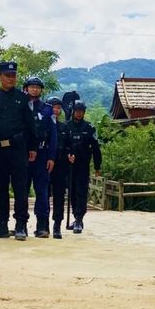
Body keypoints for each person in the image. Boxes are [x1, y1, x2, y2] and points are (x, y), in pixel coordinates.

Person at [0, 61, 38, 241]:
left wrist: (32, 147)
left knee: (20, 188)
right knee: (0, 189)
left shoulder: (23, 99)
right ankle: (1, 224)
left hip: (18, 149)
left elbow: (31, 125)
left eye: (14, 75)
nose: (11, 78)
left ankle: (21, 225)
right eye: (7, 75)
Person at [23, 76, 57, 238]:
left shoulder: (47, 109)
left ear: (41, 90)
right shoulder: (21, 105)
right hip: (22, 155)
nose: (34, 89)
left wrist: (52, 157)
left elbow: (53, 134)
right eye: (31, 86)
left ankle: (43, 225)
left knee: (42, 191)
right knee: (21, 189)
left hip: (42, 155)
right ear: (26, 88)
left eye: (37, 87)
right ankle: (21, 224)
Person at [68, 100, 101, 233]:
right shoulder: (67, 126)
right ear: (73, 112)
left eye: (81, 111)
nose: (79, 114)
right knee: (72, 192)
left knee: (81, 191)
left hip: (83, 165)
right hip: (69, 165)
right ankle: (75, 216)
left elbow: (96, 148)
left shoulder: (89, 127)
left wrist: (97, 166)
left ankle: (79, 219)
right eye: (77, 111)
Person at [46, 96, 74, 239]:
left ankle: (57, 225)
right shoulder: (43, 125)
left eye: (58, 108)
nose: (56, 110)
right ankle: (43, 224)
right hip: (45, 165)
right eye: (53, 107)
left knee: (59, 196)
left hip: (61, 165)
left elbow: (70, 146)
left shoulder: (64, 127)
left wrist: (71, 154)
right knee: (44, 195)